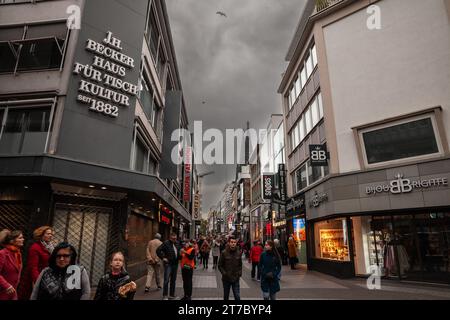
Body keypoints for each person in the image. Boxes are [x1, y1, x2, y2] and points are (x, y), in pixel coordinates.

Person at [18, 226, 54, 300]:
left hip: (47, 277)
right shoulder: (35, 248)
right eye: (48, 234)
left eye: (51, 234)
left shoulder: (51, 247)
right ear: (41, 235)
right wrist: (38, 281)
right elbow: (33, 267)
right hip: (35, 279)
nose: (50, 235)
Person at [0, 230, 24, 300]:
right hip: (2, 291)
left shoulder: (17, 253)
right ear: (12, 241)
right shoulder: (2, 253)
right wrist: (7, 286)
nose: (23, 239)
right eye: (20, 238)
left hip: (12, 292)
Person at [156, 232, 181, 300]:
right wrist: (163, 258)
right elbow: (158, 250)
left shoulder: (177, 243)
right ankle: (165, 295)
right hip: (168, 264)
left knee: (173, 280)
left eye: (175, 238)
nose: (174, 239)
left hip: (175, 264)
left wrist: (180, 256)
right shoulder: (166, 243)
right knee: (166, 280)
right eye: (173, 238)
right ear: (170, 238)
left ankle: (171, 295)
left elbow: (179, 251)